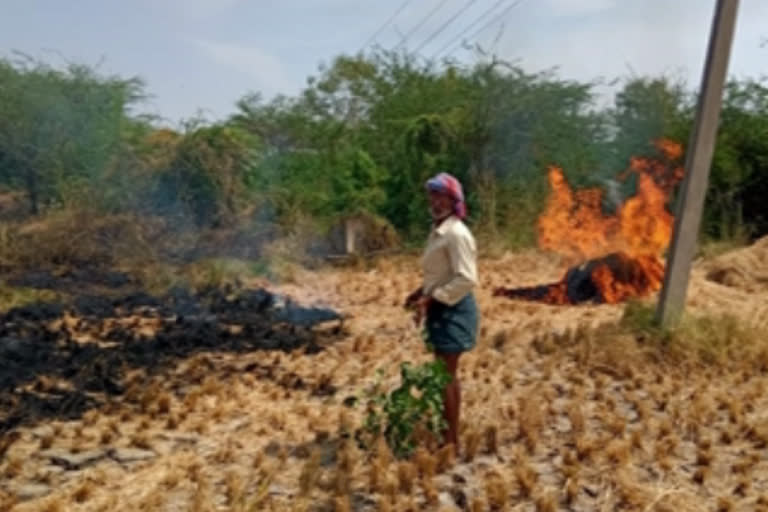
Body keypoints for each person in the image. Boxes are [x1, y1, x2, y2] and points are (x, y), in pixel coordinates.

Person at [405, 171, 479, 451]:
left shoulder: (456, 234)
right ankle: (447, 433)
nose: (435, 201)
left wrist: (431, 300)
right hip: (441, 307)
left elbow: (466, 278)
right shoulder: (438, 231)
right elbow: (440, 274)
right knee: (441, 373)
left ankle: (451, 441)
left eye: (441, 196)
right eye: (433, 195)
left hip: (454, 310)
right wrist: (419, 293)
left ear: (454, 200)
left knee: (446, 375)